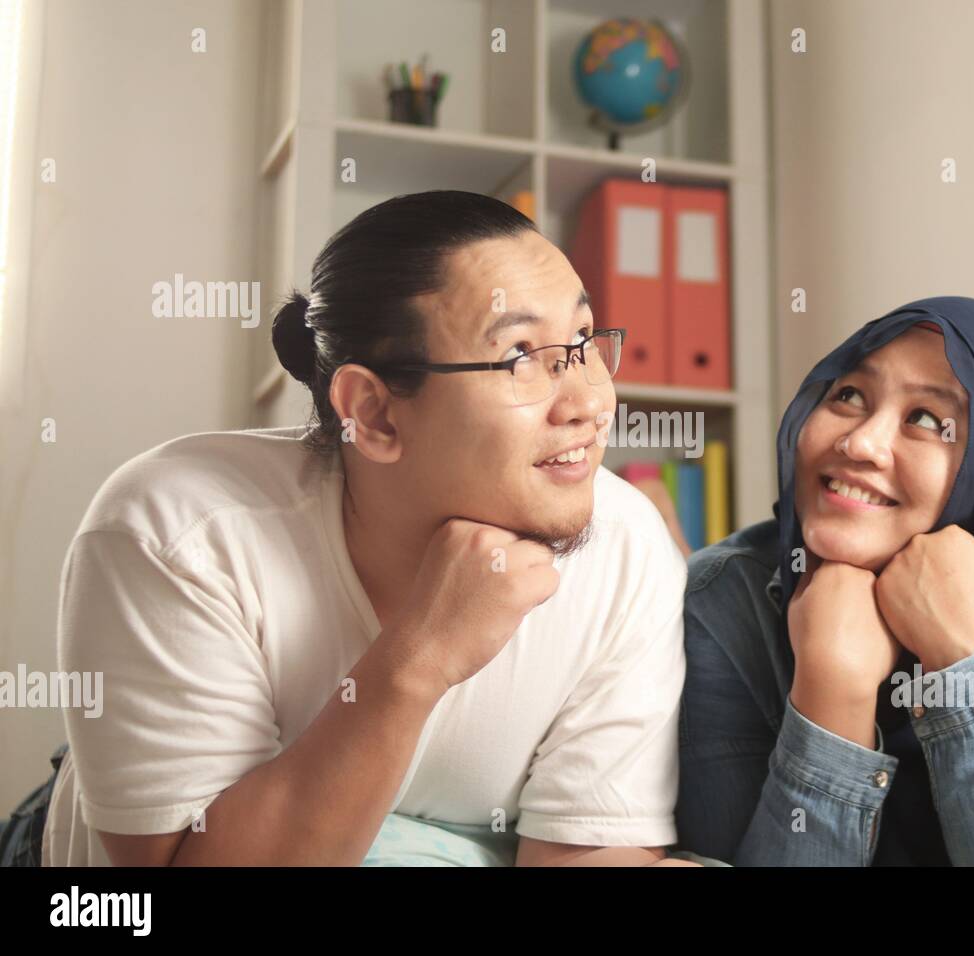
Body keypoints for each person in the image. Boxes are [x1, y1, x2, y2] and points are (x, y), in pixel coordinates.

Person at [41, 190, 695, 867]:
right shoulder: (178, 532)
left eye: (584, 341)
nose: (591, 402)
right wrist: (421, 658)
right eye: (518, 356)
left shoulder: (627, 546)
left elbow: (582, 855)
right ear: (375, 415)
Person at [673, 296, 974, 865]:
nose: (859, 442)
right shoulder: (718, 603)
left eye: (928, 420)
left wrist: (966, 668)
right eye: (849, 395)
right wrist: (832, 694)